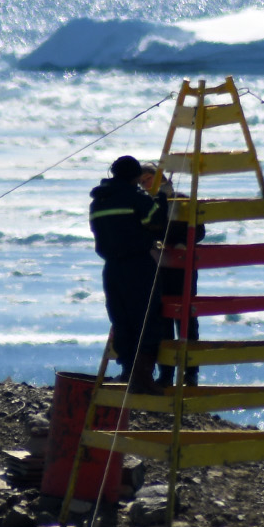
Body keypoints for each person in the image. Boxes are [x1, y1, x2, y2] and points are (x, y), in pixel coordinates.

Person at [90, 154, 169, 393]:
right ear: (135, 177)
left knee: (121, 319)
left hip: (111, 268)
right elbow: (156, 220)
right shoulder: (133, 197)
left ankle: (127, 371)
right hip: (137, 265)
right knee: (147, 319)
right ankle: (142, 376)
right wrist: (162, 199)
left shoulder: (98, 201)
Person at [142, 162, 204, 389]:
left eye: (149, 179)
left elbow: (198, 231)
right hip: (159, 268)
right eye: (143, 182)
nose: (147, 185)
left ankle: (191, 373)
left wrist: (176, 240)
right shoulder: (147, 205)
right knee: (163, 320)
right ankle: (166, 373)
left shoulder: (181, 198)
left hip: (183, 268)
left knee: (187, 320)